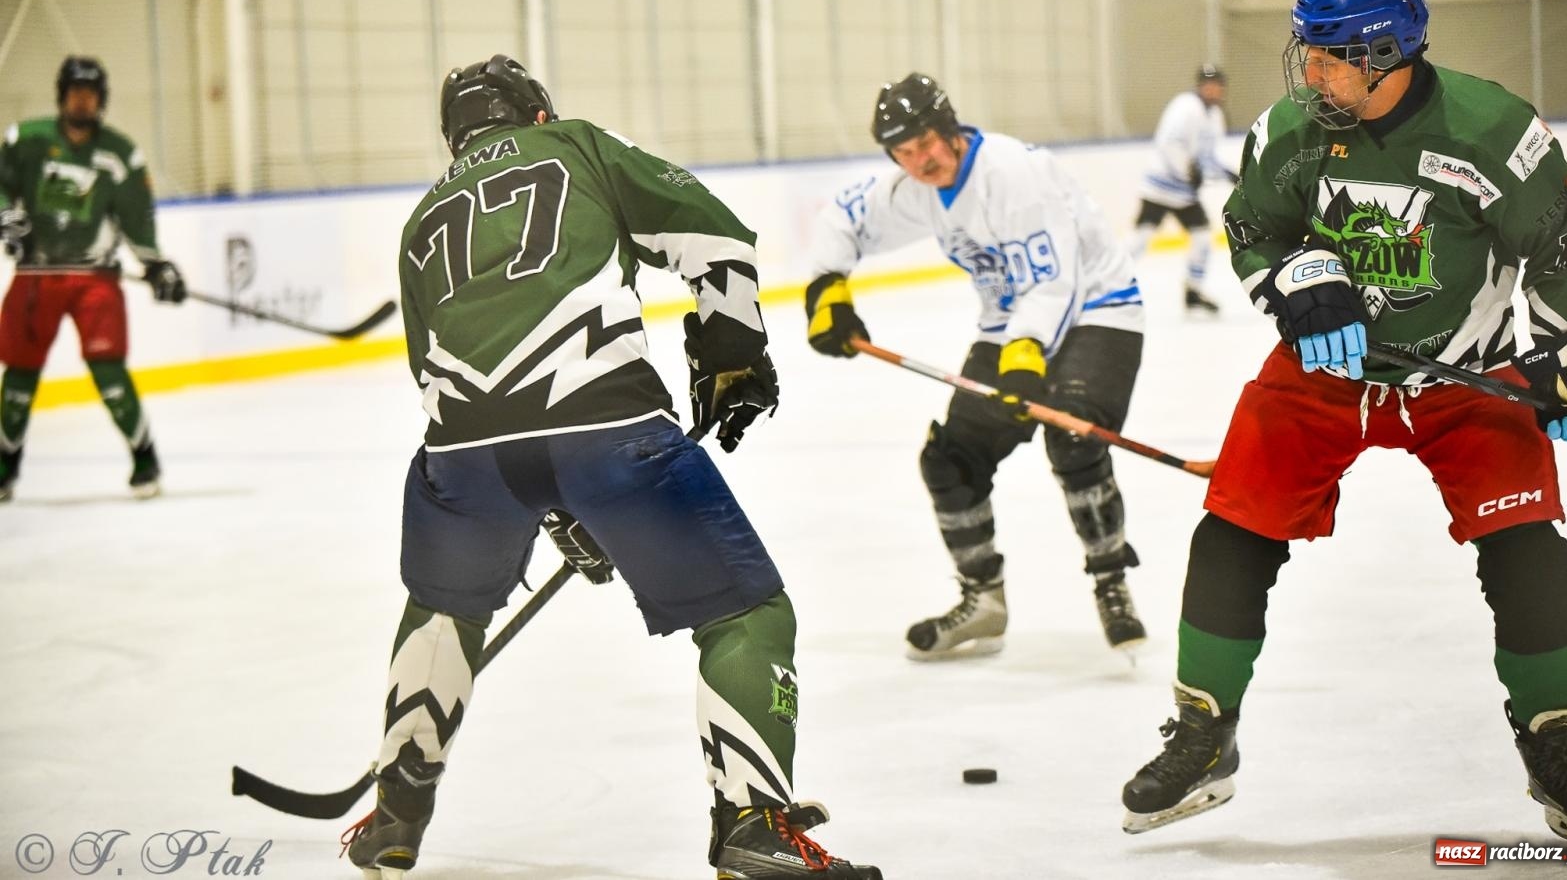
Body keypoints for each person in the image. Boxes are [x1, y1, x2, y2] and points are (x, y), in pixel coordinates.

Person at [341, 55, 882, 879]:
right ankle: (753, 822)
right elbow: (713, 236)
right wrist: (733, 351)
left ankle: (395, 810)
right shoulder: (575, 144)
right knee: (747, 613)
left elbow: (434, 374)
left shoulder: (422, 218)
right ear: (537, 112)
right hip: (604, 426)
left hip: (461, 458)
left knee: (444, 610)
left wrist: (555, 503)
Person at [1120, 0, 1567, 846]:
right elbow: (1252, 230)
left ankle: (1552, 743)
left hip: (1465, 373)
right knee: (1233, 527)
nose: (1312, 74)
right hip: (1325, 372)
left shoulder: (1494, 130)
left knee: (1528, 545)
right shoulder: (1291, 130)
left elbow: (1564, 244)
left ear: (1387, 54)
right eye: (1306, 53)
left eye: (1332, 58)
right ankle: (1203, 730)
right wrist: (1297, 281)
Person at [804, 72, 1147, 662]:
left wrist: (1025, 352)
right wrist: (827, 288)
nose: (919, 161)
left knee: (1072, 436)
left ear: (950, 130)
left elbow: (1055, 281)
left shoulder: (1012, 174)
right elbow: (844, 215)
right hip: (1011, 325)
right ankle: (984, 600)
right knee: (950, 459)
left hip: (1098, 309)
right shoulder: (919, 189)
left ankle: (1111, 578)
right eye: (903, 153)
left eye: (925, 144)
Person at [0, 56, 186, 501]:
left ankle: (145, 458)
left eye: (90, 94)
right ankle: (5, 465)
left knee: (109, 371)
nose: (82, 101)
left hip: (93, 280)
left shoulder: (120, 155)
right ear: (62, 95)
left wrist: (156, 264)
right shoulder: (26, 140)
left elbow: (137, 220)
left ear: (101, 100)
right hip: (35, 277)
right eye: (75, 92)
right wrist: (5, 216)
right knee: (19, 373)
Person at [1128, 64, 1234, 315]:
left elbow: (1206, 157)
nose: (1212, 89)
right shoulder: (1185, 106)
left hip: (1184, 194)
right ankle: (1109, 282)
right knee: (1141, 239)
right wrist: (1187, 171)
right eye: (1208, 84)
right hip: (1160, 188)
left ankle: (1193, 291)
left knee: (1202, 237)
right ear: (1200, 86)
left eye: (1216, 85)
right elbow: (1169, 143)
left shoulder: (1214, 116)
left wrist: (1228, 175)